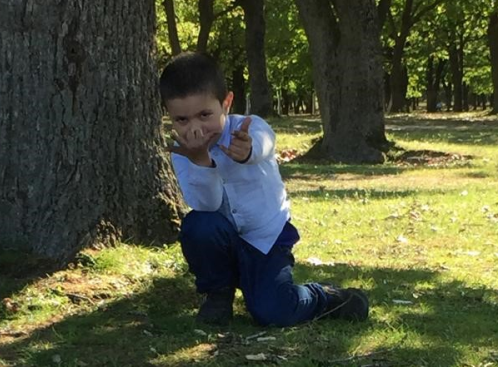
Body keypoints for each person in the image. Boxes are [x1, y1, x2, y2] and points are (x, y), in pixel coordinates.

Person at [158, 51, 369, 327]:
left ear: (226, 103)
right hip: (221, 240)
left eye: (204, 114)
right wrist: (201, 163)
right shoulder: (183, 151)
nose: (195, 128)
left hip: (265, 239)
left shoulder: (249, 127)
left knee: (273, 312)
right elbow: (206, 205)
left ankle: (324, 296)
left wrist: (248, 151)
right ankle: (218, 293)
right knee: (198, 225)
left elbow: (265, 142)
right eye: (182, 120)